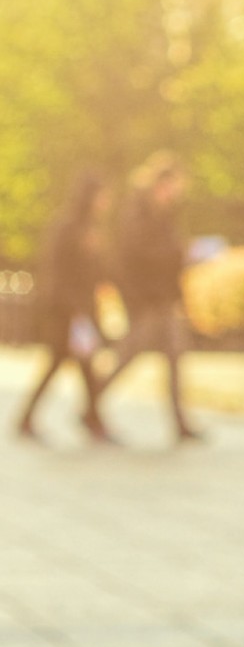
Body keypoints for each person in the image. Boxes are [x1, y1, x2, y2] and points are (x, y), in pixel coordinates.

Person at [99, 152, 201, 443]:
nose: (177, 193)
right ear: (161, 183)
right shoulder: (138, 213)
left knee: (175, 355)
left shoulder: (165, 214)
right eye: (175, 186)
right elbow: (134, 258)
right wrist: (177, 252)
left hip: (163, 300)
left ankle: (180, 423)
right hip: (145, 300)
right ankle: (92, 403)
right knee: (128, 355)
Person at [15, 171, 113, 444]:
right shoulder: (68, 228)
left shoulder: (91, 228)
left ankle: (90, 419)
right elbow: (58, 272)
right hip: (65, 311)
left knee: (82, 365)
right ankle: (90, 420)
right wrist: (74, 308)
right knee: (67, 362)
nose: (106, 202)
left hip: (80, 309)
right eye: (102, 196)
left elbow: (94, 270)